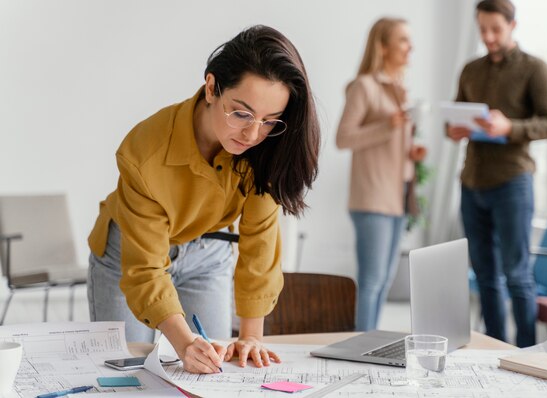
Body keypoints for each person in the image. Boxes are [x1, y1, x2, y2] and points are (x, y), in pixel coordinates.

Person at [87, 25, 320, 374]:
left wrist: (252, 336)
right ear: (212, 88)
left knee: (214, 368)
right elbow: (147, 269)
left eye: (270, 121)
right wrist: (183, 343)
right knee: (127, 372)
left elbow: (259, 239)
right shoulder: (143, 151)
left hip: (209, 253)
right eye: (241, 113)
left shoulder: (267, 151)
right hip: (130, 253)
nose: (253, 134)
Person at [447, 0, 547, 347]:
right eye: (483, 29)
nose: (489, 37)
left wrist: (508, 126)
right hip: (471, 182)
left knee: (517, 275)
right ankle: (495, 350)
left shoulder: (535, 69)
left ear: (513, 25)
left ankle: (528, 354)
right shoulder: (470, 69)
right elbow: (454, 116)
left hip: (512, 183)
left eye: (495, 29)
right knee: (485, 276)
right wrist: (453, 129)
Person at [336, 17, 427, 331]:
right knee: (372, 281)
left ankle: (369, 343)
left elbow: (390, 144)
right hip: (372, 197)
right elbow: (343, 138)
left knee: (385, 281)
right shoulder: (364, 87)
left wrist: (412, 153)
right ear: (383, 46)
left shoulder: (400, 91)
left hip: (398, 196)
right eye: (403, 40)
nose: (410, 47)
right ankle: (361, 346)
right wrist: (387, 126)